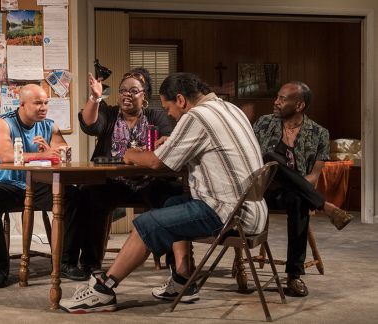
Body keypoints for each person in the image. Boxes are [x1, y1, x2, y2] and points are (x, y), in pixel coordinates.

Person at [60, 72, 267, 313]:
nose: (169, 113)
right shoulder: (230, 108)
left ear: (180, 99)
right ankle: (182, 281)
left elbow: (159, 163)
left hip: (229, 214)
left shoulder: (198, 116)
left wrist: (130, 154)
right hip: (253, 210)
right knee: (170, 204)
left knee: (147, 222)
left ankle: (104, 289)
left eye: (169, 106)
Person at [76, 67, 183, 275]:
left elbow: (169, 144)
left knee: (173, 197)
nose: (127, 94)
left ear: (144, 96)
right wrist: (95, 97)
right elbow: (89, 125)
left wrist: (163, 143)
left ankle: (177, 265)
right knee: (88, 194)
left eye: (134, 91)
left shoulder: (156, 117)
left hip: (149, 181)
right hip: (113, 183)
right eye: (123, 90)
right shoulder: (107, 113)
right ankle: (90, 262)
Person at [253, 81, 354, 297]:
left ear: (299, 106)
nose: (276, 102)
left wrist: (290, 181)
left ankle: (293, 276)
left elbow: (314, 176)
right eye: (277, 97)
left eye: (283, 99)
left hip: (295, 192)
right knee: (270, 158)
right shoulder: (263, 123)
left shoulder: (319, 133)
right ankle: (326, 207)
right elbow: (250, 161)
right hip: (264, 190)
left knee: (297, 201)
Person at [0, 84, 83, 288]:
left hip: (37, 184)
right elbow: (7, 156)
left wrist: (52, 149)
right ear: (22, 104)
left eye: (45, 103)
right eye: (38, 103)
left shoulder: (50, 126)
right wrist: (42, 155)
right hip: (5, 183)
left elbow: (64, 154)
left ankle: (66, 263)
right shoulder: (2, 122)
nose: (43, 108)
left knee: (74, 196)